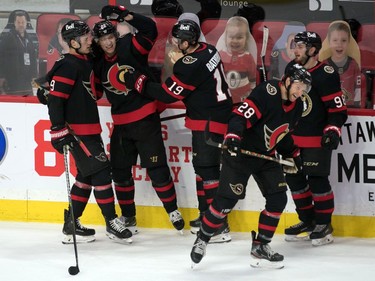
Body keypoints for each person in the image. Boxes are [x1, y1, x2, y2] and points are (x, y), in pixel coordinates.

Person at [190, 64, 312, 269]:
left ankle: (261, 245)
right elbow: (240, 116)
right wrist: (234, 137)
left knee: (278, 198)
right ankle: (203, 238)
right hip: (241, 153)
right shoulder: (267, 91)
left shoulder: (297, 106)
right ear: (288, 81)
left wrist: (293, 153)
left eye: (304, 89)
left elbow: (280, 134)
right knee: (225, 202)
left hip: (266, 157)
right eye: (299, 86)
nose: (301, 93)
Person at [124, 19, 233, 243]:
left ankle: (218, 226)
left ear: (187, 42)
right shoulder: (209, 49)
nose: (174, 43)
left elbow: (166, 94)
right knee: (202, 168)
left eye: (178, 40)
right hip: (214, 115)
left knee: (208, 169)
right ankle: (206, 216)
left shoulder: (188, 64)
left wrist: (136, 81)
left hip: (208, 120)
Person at [93, 5, 185, 234]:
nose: (108, 42)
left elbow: (150, 30)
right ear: (97, 42)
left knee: (157, 169)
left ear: (115, 36)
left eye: (110, 36)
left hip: (145, 119)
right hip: (121, 125)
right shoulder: (97, 62)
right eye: (103, 39)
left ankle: (172, 210)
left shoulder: (128, 46)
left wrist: (125, 14)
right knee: (120, 173)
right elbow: (94, 92)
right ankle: (128, 216)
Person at [45, 19, 132, 244]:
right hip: (78, 132)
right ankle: (112, 222)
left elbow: (49, 88)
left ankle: (71, 224)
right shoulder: (69, 64)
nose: (90, 40)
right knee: (102, 173)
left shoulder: (82, 60)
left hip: (89, 129)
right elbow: (55, 100)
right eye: (85, 38)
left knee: (85, 176)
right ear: (73, 42)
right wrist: (58, 131)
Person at [284, 31, 348, 246]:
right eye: (295, 46)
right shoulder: (291, 70)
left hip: (315, 139)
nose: (295, 50)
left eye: (300, 46)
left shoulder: (326, 73)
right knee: (294, 180)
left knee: (317, 180)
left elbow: (337, 109)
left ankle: (324, 223)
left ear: (313, 50)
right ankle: (307, 220)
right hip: (292, 138)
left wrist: (332, 130)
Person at [319, 20, 363, 108]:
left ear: (349, 42)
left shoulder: (354, 65)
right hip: (328, 110)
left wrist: (358, 109)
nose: (339, 44)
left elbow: (358, 90)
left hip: (351, 111)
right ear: (329, 42)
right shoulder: (322, 65)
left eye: (343, 40)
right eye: (335, 40)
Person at [216, 16, 257, 104]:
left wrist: (251, 94)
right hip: (224, 99)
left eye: (239, 37)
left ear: (246, 39)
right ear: (225, 37)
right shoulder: (220, 55)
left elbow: (252, 79)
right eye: (231, 37)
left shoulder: (248, 57)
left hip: (243, 99)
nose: (235, 41)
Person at [0, 10, 38, 95]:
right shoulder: (8, 38)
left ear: (26, 23)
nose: (21, 24)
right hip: (12, 80)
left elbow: (33, 58)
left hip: (26, 80)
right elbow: (1, 58)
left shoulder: (30, 39)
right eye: (18, 22)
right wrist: (1, 76)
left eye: (23, 22)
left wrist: (34, 75)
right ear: (14, 23)